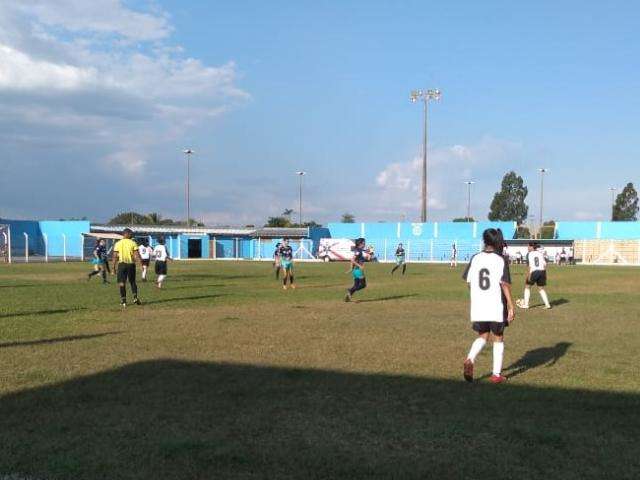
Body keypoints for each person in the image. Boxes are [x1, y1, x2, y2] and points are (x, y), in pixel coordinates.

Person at [462, 228, 515, 384]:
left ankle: (470, 358)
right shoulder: (500, 260)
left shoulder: (475, 258)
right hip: (495, 305)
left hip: (478, 304)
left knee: (483, 335)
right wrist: (511, 306)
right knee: (498, 337)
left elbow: (469, 282)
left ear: (484, 241)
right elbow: (504, 284)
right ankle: (496, 375)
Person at [112, 228, 141, 307]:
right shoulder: (133, 243)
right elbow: (136, 254)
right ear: (126, 234)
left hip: (122, 265)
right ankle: (135, 298)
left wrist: (113, 267)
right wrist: (140, 264)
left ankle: (123, 301)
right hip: (131, 264)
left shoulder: (118, 243)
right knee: (132, 282)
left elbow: (114, 256)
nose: (131, 235)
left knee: (121, 283)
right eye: (130, 233)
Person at [519, 242, 551, 309]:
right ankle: (547, 304)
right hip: (542, 272)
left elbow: (530, 266)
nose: (527, 247)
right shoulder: (540, 253)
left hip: (534, 272)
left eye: (528, 246)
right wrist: (544, 273)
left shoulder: (529, 254)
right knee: (541, 288)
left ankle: (526, 305)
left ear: (531, 247)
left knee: (527, 287)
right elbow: (545, 264)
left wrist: (529, 275)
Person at [345, 237, 368, 302]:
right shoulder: (359, 251)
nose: (364, 245)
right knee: (363, 285)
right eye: (363, 243)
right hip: (358, 270)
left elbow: (353, 259)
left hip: (355, 271)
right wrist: (360, 266)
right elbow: (352, 260)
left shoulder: (357, 250)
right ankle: (350, 290)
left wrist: (351, 268)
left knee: (356, 285)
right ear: (360, 244)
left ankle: (348, 297)